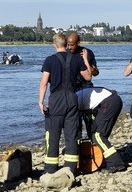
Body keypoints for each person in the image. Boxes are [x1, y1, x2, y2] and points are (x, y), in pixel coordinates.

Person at [39, 33, 94, 174]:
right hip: (72, 98)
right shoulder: (76, 59)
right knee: (71, 135)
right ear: (65, 44)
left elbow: (44, 83)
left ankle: (50, 169)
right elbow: (88, 77)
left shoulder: (50, 60)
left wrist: (41, 102)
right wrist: (86, 61)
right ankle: (70, 168)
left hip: (56, 99)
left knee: (53, 134)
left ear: (54, 44)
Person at [76, 85, 127, 172]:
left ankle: (116, 163)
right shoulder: (77, 98)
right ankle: (102, 158)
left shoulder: (73, 103)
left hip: (109, 102)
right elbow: (88, 121)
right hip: (110, 100)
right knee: (96, 134)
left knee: (98, 136)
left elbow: (76, 127)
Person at [67, 32, 100, 138]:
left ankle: (93, 138)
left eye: (72, 45)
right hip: (72, 87)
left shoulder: (87, 52)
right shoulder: (66, 54)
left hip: (86, 85)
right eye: (68, 44)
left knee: (89, 115)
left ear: (78, 43)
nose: (70, 47)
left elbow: (95, 73)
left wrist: (87, 62)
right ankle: (77, 141)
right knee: (74, 116)